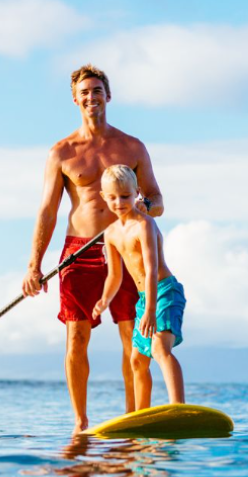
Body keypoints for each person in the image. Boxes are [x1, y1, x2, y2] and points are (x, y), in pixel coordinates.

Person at [22, 64, 164, 434]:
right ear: (75, 99)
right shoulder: (62, 152)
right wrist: (34, 265)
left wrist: (141, 208)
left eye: (97, 90)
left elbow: (157, 199)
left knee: (132, 334)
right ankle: (81, 422)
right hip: (78, 252)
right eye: (84, 92)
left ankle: (134, 417)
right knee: (77, 336)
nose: (91, 97)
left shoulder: (132, 147)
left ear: (108, 96)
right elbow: (48, 210)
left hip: (125, 246)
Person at [92, 165, 185, 410]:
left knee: (159, 349)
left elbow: (151, 269)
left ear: (137, 193)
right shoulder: (111, 233)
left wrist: (151, 310)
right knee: (136, 360)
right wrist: (104, 300)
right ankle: (141, 414)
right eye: (112, 197)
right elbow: (114, 275)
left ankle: (178, 407)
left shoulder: (144, 225)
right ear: (103, 196)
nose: (119, 202)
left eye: (125, 196)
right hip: (145, 299)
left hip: (164, 292)